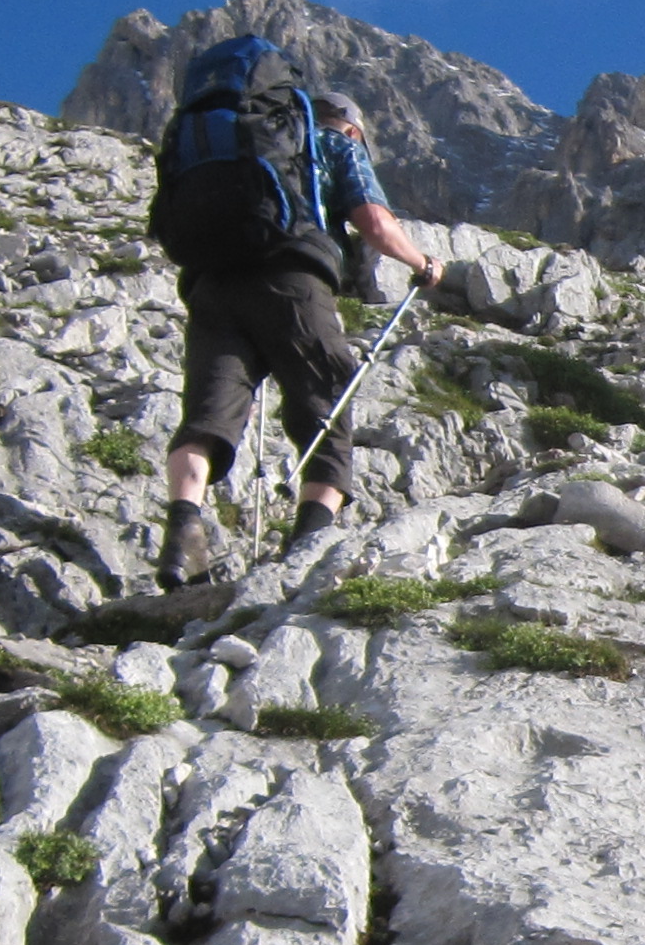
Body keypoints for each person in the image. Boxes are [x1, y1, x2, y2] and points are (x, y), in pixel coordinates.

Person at [156, 72, 447, 586]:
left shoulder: (244, 146)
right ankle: (308, 550)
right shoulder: (336, 144)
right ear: (354, 129)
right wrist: (421, 261)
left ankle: (183, 535)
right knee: (327, 408)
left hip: (212, 285)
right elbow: (373, 223)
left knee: (207, 416)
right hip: (292, 281)